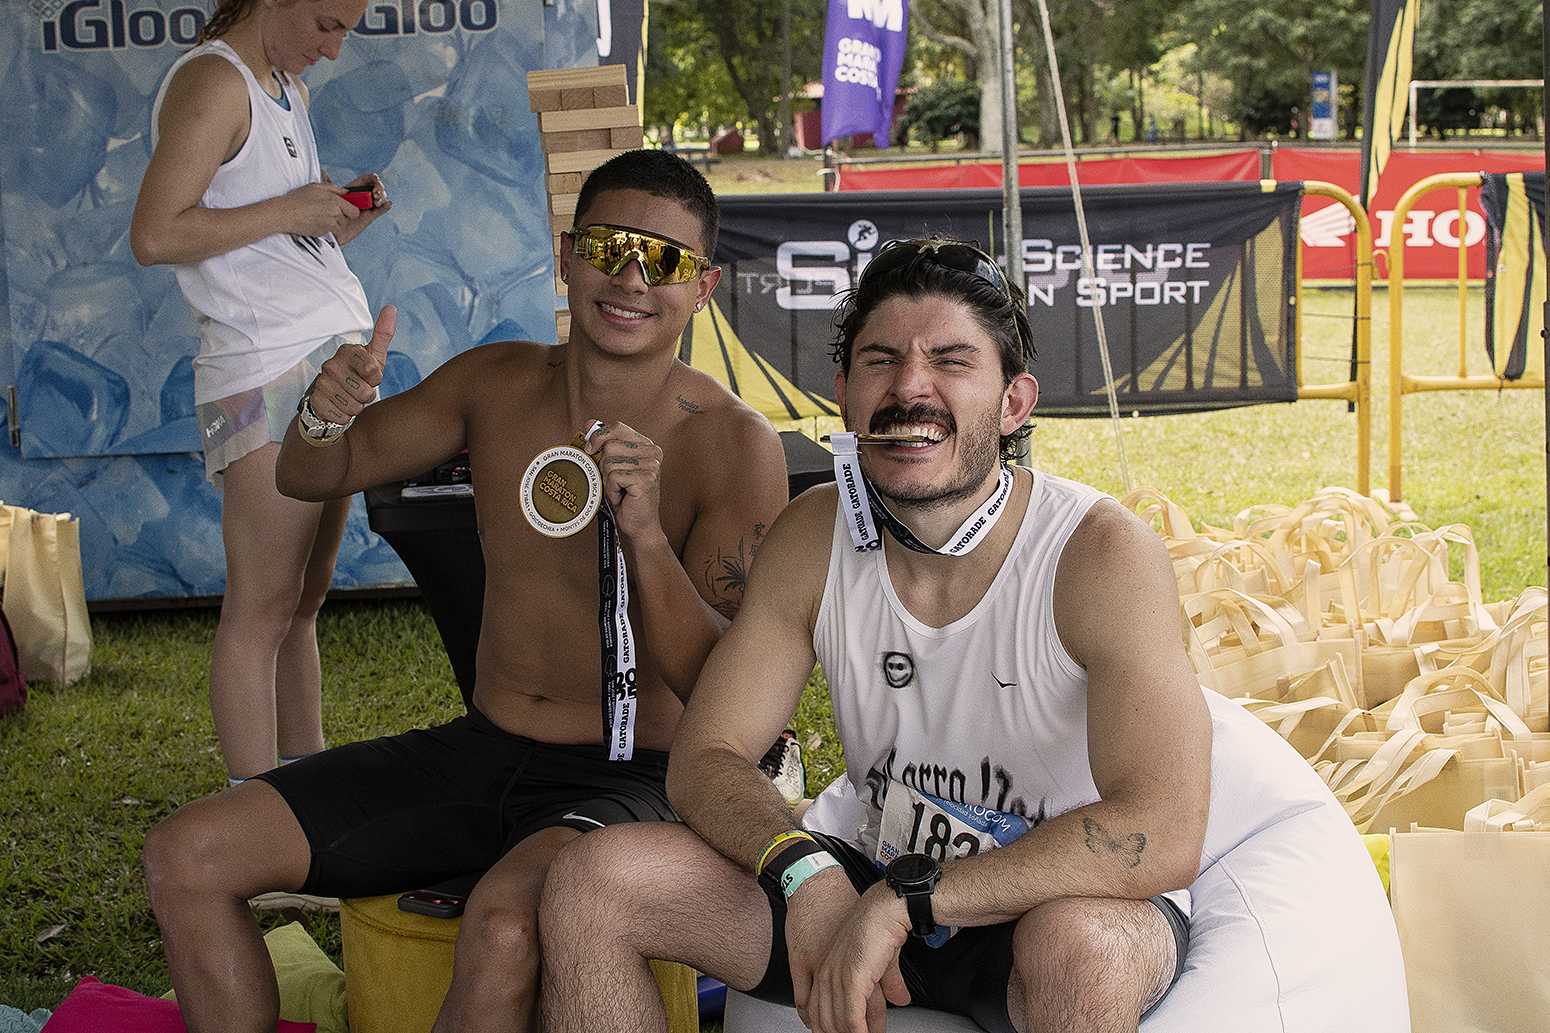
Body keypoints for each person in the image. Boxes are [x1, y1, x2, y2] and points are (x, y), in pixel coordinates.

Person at [536, 237, 1411, 1033]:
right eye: (880, 360)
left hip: (1049, 898)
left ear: (1014, 400)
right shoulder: (815, 534)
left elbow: (1159, 829)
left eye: (952, 361)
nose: (910, 388)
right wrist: (804, 871)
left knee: (1086, 948)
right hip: (876, 870)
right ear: (844, 392)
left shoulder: (1097, 551)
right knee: (591, 882)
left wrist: (907, 902)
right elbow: (707, 755)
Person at [139, 148, 791, 1033]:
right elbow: (310, 473)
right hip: (483, 749)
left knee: (504, 927)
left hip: (637, 774)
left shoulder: (732, 442)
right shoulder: (496, 383)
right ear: (568, 255)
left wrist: (644, 534)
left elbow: (724, 689)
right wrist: (325, 409)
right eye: (610, 247)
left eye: (665, 260)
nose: (633, 278)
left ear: (703, 285)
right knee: (186, 853)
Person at [130, 0, 392, 784]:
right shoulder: (215, 82)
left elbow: (270, 237)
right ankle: (254, 812)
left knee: (303, 599)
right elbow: (155, 234)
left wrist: (334, 219)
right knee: (263, 605)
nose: (334, 49)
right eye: (326, 24)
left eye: (345, 30)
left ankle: (306, 788)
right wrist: (291, 208)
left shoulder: (286, 86)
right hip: (260, 371)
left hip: (324, 360)